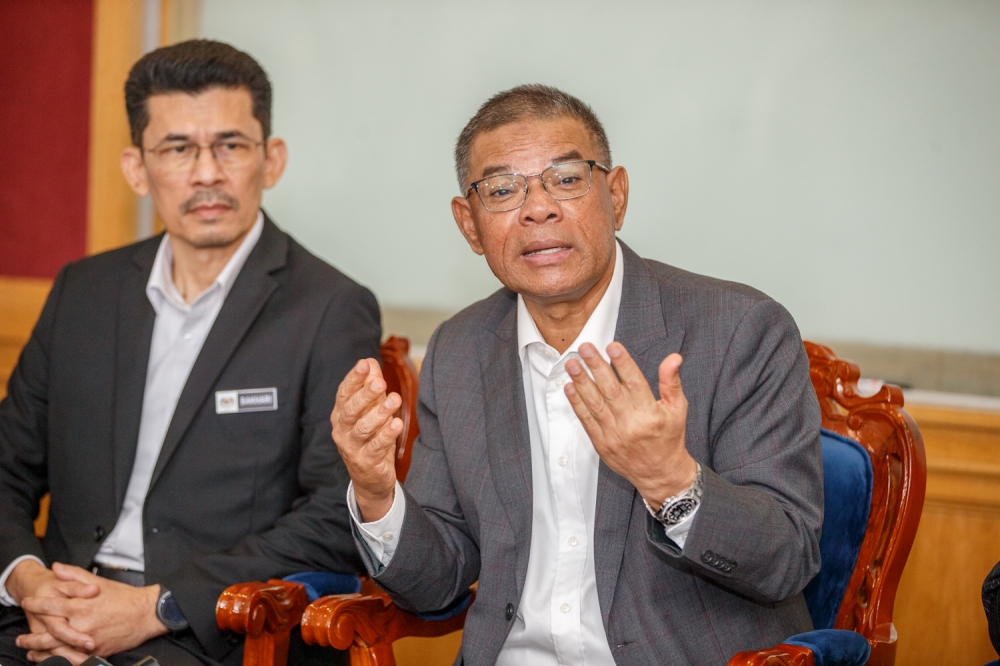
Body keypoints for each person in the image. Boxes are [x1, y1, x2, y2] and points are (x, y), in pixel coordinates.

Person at [332, 84, 824, 664]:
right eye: (503, 190)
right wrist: (376, 493)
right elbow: (438, 581)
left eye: (566, 179)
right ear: (469, 225)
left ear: (616, 196)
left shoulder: (739, 330)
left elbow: (788, 557)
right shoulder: (458, 350)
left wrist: (671, 481)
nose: (537, 208)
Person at [0, 40, 379, 666]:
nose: (207, 174)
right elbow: (7, 466)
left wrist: (157, 606)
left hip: (203, 634)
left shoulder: (329, 308)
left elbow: (336, 515)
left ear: (271, 160)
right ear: (136, 169)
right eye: (178, 149)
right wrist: (27, 580)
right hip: (49, 617)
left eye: (230, 146)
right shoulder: (82, 291)